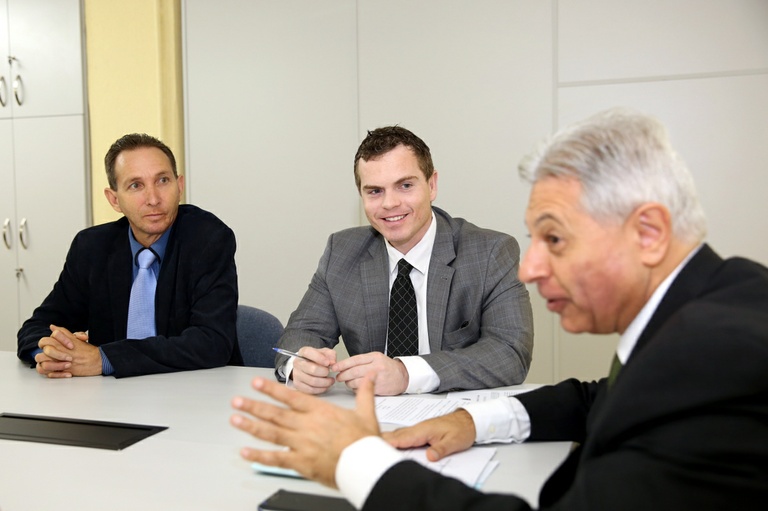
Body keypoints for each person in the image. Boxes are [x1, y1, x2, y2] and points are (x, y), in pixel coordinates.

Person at [230, 108, 768, 510]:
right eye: (374, 191)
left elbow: (512, 355)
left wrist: (357, 462)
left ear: (648, 233)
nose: (532, 267)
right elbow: (598, 399)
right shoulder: (720, 301)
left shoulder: (717, 355)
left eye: (554, 239)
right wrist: (471, 420)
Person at [276, 126, 533, 396]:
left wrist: (406, 374)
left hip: (455, 416)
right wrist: (298, 365)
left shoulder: (490, 252)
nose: (390, 203)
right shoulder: (341, 251)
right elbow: (302, 331)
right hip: (371, 416)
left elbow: (510, 353)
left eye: (405, 185)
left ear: (432, 185)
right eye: (375, 191)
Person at [17, 133, 241, 378]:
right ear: (114, 199)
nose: (154, 199)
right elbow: (37, 327)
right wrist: (53, 353)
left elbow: (212, 342)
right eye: (136, 185)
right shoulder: (91, 248)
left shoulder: (209, 240)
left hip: (198, 395)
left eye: (163, 180)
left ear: (180, 186)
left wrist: (103, 359)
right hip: (110, 399)